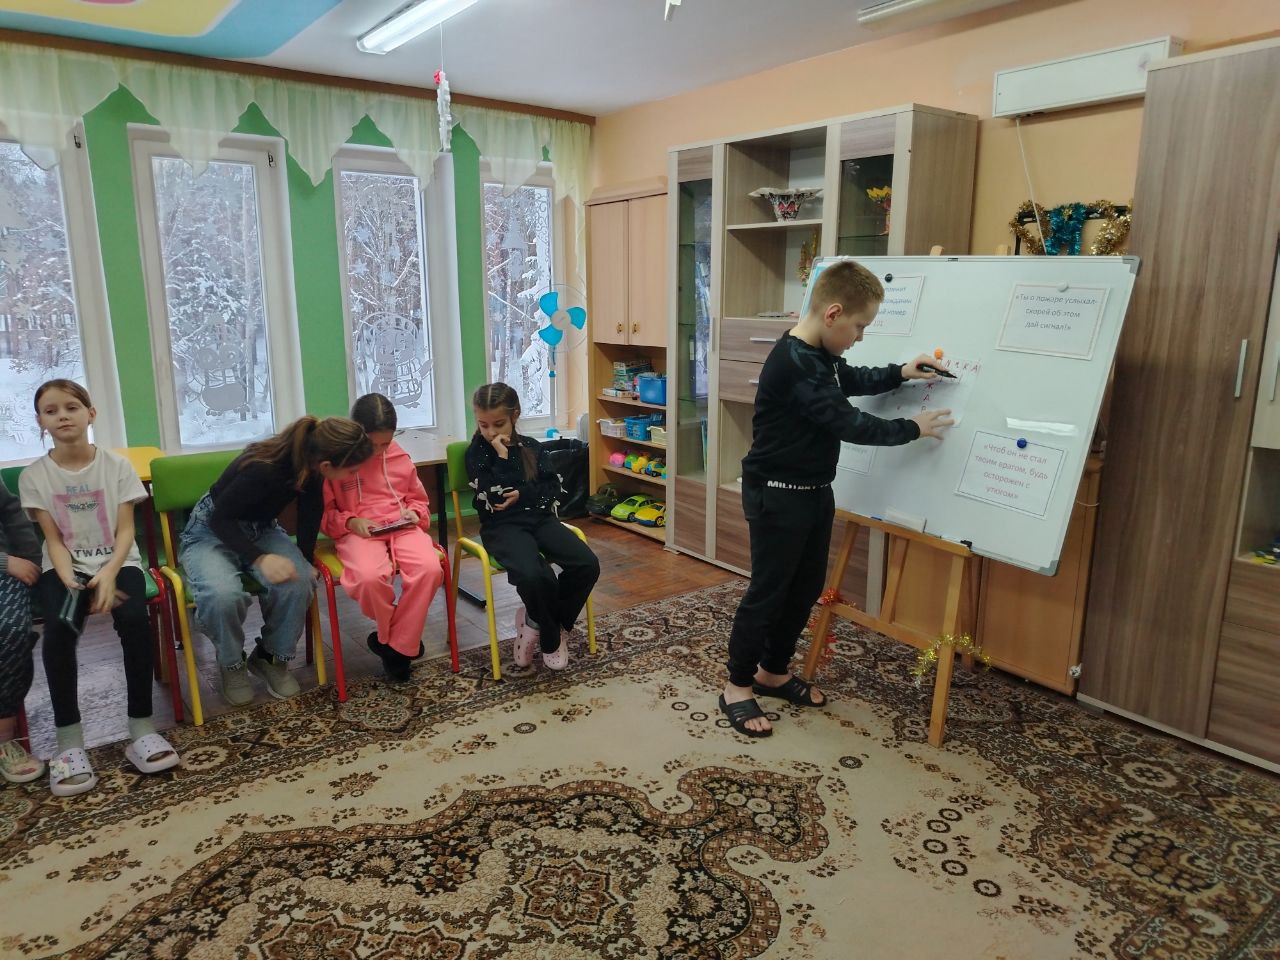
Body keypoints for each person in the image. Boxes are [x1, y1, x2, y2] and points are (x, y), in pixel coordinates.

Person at [719, 260, 955, 737]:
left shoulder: (818, 355)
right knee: (768, 592)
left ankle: (772, 672)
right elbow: (849, 422)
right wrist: (912, 427)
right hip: (777, 496)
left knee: (804, 588)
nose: (860, 337)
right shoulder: (794, 362)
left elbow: (851, 378)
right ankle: (737, 686)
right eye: (859, 326)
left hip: (813, 493)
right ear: (832, 314)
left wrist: (901, 372)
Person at [20, 379, 179, 795]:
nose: (62, 416)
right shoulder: (35, 476)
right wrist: (71, 580)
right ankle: (69, 743)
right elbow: (53, 539)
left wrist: (108, 574)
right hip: (64, 567)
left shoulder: (117, 467)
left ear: (90, 414)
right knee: (59, 628)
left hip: (119, 561)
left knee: (135, 619)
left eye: (71, 407)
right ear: (40, 422)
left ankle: (141, 728)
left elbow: (126, 531)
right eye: (51, 411)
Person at [179, 416, 372, 706]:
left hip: (261, 527)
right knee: (222, 596)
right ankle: (231, 663)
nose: (354, 476)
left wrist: (304, 558)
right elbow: (221, 519)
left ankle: (270, 658)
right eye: (352, 470)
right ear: (327, 466)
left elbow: (310, 511)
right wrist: (259, 559)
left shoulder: (312, 464)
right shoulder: (263, 468)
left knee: (299, 581)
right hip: (211, 531)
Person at [465, 383, 599, 670]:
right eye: (483, 425)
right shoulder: (476, 453)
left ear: (515, 415)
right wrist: (501, 457)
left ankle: (536, 621)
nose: (490, 432)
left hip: (539, 519)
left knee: (587, 564)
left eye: (498, 424)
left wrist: (524, 494)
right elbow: (492, 496)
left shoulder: (532, 447)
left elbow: (552, 488)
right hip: (501, 527)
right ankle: (551, 637)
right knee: (536, 576)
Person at [321, 394, 443, 682]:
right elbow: (325, 515)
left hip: (402, 527)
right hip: (358, 532)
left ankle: (391, 644)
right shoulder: (339, 462)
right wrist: (351, 521)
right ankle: (401, 642)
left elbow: (419, 500)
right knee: (368, 577)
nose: (378, 451)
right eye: (371, 444)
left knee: (429, 569)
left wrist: (414, 512)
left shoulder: (400, 457)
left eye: (385, 444)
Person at [0, 474, 42, 784]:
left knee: (11, 630)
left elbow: (12, 513)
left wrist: (31, 563)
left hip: (7, 573)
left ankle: (4, 737)